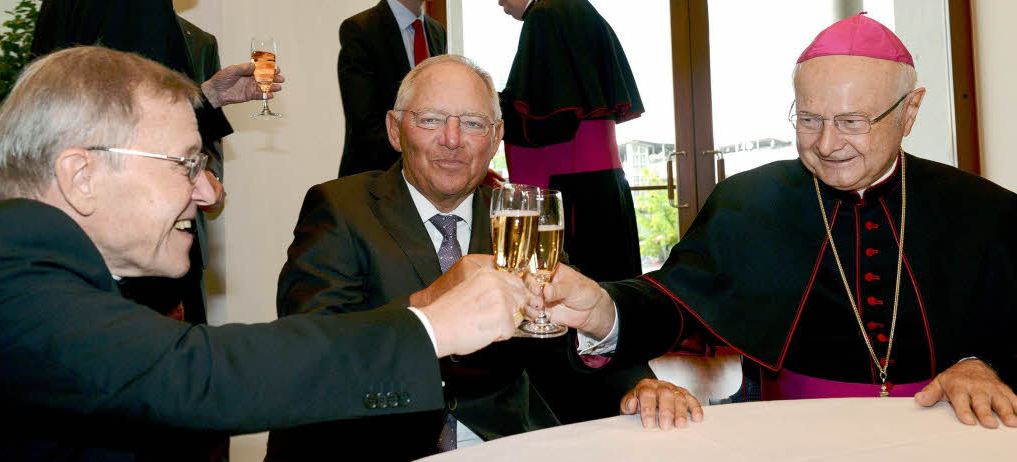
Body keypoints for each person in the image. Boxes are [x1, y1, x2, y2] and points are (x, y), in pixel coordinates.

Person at [0, 46, 534, 460]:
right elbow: (204, 375)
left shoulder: (48, 270)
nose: (207, 193)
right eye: (186, 163)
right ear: (80, 176)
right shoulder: (14, 284)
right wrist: (434, 325)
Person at [542, 13, 1017, 430]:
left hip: (947, 426)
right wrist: (605, 311)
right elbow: (679, 301)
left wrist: (982, 363)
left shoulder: (983, 208)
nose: (827, 144)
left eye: (852, 122)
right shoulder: (749, 200)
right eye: (808, 119)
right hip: (790, 429)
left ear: (909, 111)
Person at [267, 54, 584, 461]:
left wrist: (639, 384)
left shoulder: (521, 218)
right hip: (371, 443)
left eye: (472, 123)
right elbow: (313, 344)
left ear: (497, 136)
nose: (452, 139)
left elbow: (572, 315)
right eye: (431, 119)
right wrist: (436, 297)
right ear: (395, 131)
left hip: (500, 443)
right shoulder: (340, 208)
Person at [31, 0, 285, 324]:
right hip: (124, 260)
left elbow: (97, 112)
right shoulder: (139, 7)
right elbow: (135, 127)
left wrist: (209, 97)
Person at [497, 0, 643, 283]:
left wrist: (489, 104)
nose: (499, 1)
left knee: (566, 298)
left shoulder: (544, 15)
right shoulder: (578, 9)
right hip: (605, 186)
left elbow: (545, 121)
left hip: (566, 191)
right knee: (608, 291)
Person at [337, 0, 447, 177]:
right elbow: (364, 120)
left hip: (429, 178)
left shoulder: (437, 31)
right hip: (376, 178)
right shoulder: (361, 29)